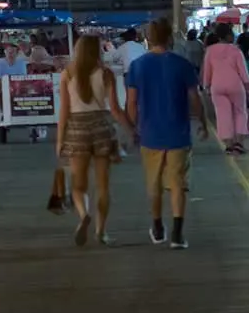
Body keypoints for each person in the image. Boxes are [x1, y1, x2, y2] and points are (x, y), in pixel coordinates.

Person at [126, 18, 208, 250]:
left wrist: (132, 129)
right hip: (178, 134)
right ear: (170, 37)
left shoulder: (137, 66)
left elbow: (131, 103)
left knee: (154, 184)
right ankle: (177, 234)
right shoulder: (182, 64)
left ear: (148, 38)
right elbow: (195, 98)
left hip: (150, 134)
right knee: (177, 183)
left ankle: (157, 227)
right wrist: (202, 121)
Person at [56, 35, 129, 246]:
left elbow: (64, 111)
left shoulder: (67, 73)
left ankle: (83, 214)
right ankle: (101, 231)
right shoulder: (106, 74)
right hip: (101, 129)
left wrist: (60, 140)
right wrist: (130, 129)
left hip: (77, 130)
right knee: (103, 185)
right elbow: (115, 109)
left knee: (78, 185)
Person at [201, 30, 249, 157]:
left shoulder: (210, 51)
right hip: (235, 85)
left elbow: (207, 70)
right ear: (227, 36)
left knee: (222, 114)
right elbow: (243, 71)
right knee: (240, 112)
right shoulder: (236, 50)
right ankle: (239, 143)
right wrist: (247, 85)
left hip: (217, 86)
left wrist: (206, 85)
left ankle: (228, 144)